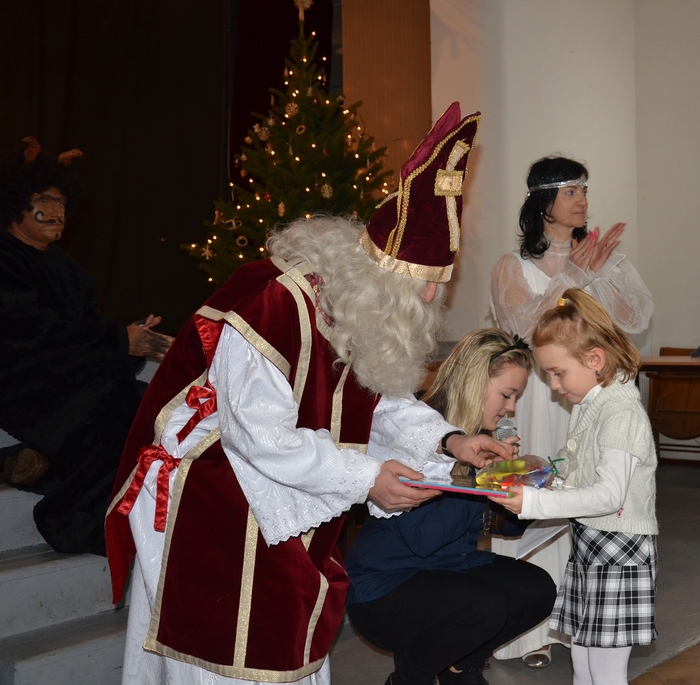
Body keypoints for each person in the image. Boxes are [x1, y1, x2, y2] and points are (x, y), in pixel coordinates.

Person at [105, 104, 516, 685]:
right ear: (382, 270)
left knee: (287, 630)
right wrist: (367, 478)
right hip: (214, 490)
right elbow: (260, 437)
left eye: (437, 285)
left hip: (281, 491)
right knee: (231, 648)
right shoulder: (274, 307)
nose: (430, 301)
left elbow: (379, 397)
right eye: (424, 284)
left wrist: (449, 441)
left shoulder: (360, 302)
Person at [488, 155, 653, 666]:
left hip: (590, 393)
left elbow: (636, 317)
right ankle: (525, 633)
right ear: (543, 201)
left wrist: (601, 275)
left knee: (588, 492)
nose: (582, 200)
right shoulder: (512, 265)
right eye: (570, 191)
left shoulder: (600, 259)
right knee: (539, 488)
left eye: (584, 190)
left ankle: (576, 621)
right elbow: (523, 325)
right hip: (541, 392)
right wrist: (575, 274)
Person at [344, 329, 557, 685]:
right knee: (483, 606)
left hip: (449, 567)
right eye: (507, 395)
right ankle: (409, 677)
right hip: (387, 581)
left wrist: (524, 491)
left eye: (516, 397)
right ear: (474, 382)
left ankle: (459, 666)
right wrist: (482, 480)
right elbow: (425, 539)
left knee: (536, 589)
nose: (511, 408)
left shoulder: (480, 437)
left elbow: (498, 526)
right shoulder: (418, 433)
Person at [0, 137, 173, 555]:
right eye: (43, 200)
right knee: (113, 411)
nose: (56, 211)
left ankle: (32, 469)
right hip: (23, 387)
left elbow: (85, 331)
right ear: (15, 203)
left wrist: (132, 340)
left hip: (75, 382)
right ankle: (69, 521)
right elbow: (36, 333)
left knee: (150, 407)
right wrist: (119, 341)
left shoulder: (70, 270)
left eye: (61, 201)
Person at [493, 288, 658, 685]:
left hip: (618, 552)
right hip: (592, 545)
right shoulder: (591, 404)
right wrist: (544, 473)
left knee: (606, 670)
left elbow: (609, 496)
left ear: (594, 360)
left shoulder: (621, 413)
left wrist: (535, 502)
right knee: (582, 659)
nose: (553, 385)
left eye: (557, 373)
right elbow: (580, 467)